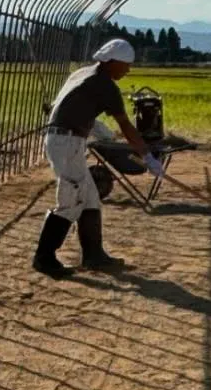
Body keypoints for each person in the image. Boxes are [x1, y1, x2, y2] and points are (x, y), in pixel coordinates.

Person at [34, 39, 163, 278]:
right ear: (112, 62)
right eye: (126, 65)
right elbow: (125, 125)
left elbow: (70, 106)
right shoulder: (105, 85)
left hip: (66, 140)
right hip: (67, 143)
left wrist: (98, 132)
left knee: (90, 197)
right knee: (71, 198)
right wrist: (147, 156)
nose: (128, 70)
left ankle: (94, 256)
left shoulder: (84, 73)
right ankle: (44, 258)